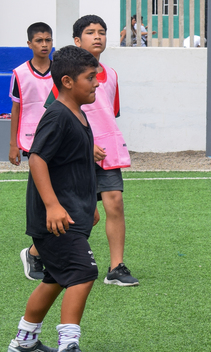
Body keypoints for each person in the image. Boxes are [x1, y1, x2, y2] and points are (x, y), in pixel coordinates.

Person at [6, 45, 100, 352]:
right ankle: (68, 345)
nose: (97, 82)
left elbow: (75, 166)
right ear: (68, 81)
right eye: (90, 77)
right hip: (56, 219)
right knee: (83, 271)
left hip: (74, 214)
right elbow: (37, 159)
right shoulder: (57, 115)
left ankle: (24, 340)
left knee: (57, 278)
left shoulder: (78, 115)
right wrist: (52, 206)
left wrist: (91, 205)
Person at [46, 14, 139, 286]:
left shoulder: (111, 75)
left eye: (102, 32)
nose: (97, 36)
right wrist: (85, 144)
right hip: (76, 155)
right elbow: (57, 113)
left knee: (115, 204)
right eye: (90, 32)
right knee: (80, 214)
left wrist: (104, 143)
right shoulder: (64, 76)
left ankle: (116, 268)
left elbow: (111, 114)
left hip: (108, 154)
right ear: (77, 40)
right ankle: (36, 252)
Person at [8, 22, 54, 281]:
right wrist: (13, 144)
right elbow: (16, 108)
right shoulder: (19, 73)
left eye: (48, 40)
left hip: (59, 139)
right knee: (39, 194)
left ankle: (42, 249)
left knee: (57, 190)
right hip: (32, 141)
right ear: (29, 44)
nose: (44, 44)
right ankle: (35, 251)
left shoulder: (60, 71)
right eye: (39, 40)